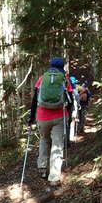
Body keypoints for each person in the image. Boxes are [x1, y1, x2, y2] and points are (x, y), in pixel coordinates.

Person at [28, 57, 73, 188]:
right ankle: (53, 177)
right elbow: (70, 101)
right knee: (57, 146)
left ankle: (42, 169)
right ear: (62, 67)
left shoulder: (42, 78)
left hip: (42, 116)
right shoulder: (65, 79)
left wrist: (31, 118)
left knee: (44, 140)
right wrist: (68, 115)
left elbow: (35, 100)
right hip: (59, 116)